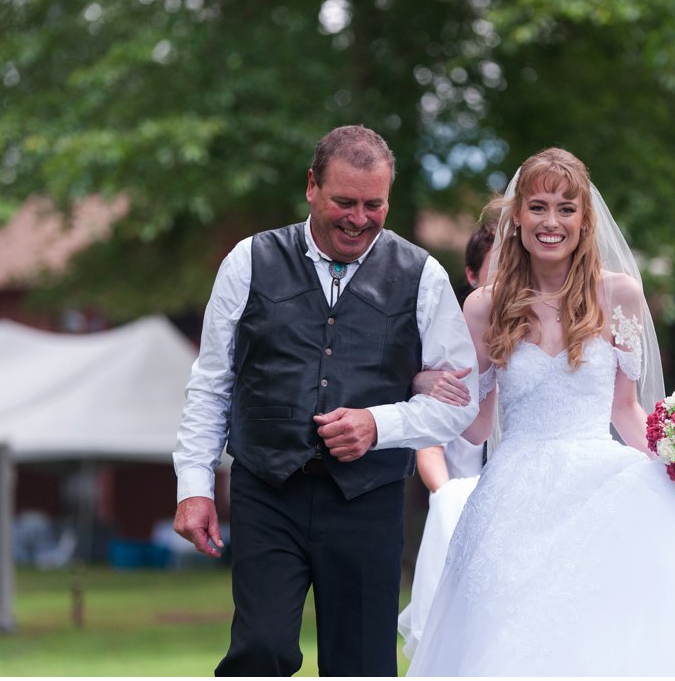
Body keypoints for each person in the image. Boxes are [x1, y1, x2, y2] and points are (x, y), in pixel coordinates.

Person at [407, 148, 675, 676]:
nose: (552, 222)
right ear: (517, 217)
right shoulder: (484, 305)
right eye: (539, 206)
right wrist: (426, 382)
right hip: (513, 499)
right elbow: (477, 425)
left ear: (585, 219)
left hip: (602, 489)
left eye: (566, 208)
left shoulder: (620, 295)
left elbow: (625, 409)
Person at [172, 125, 479, 677]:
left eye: (373, 204)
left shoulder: (423, 276)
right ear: (312, 186)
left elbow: (461, 402)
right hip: (268, 491)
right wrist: (194, 486)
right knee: (260, 651)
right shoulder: (249, 261)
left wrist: (378, 424)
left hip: (370, 498)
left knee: (361, 664)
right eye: (344, 201)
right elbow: (212, 381)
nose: (358, 219)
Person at [397, 221, 495, 659]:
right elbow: (430, 442)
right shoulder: (452, 341)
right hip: (462, 500)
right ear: (472, 276)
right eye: (498, 268)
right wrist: (447, 494)